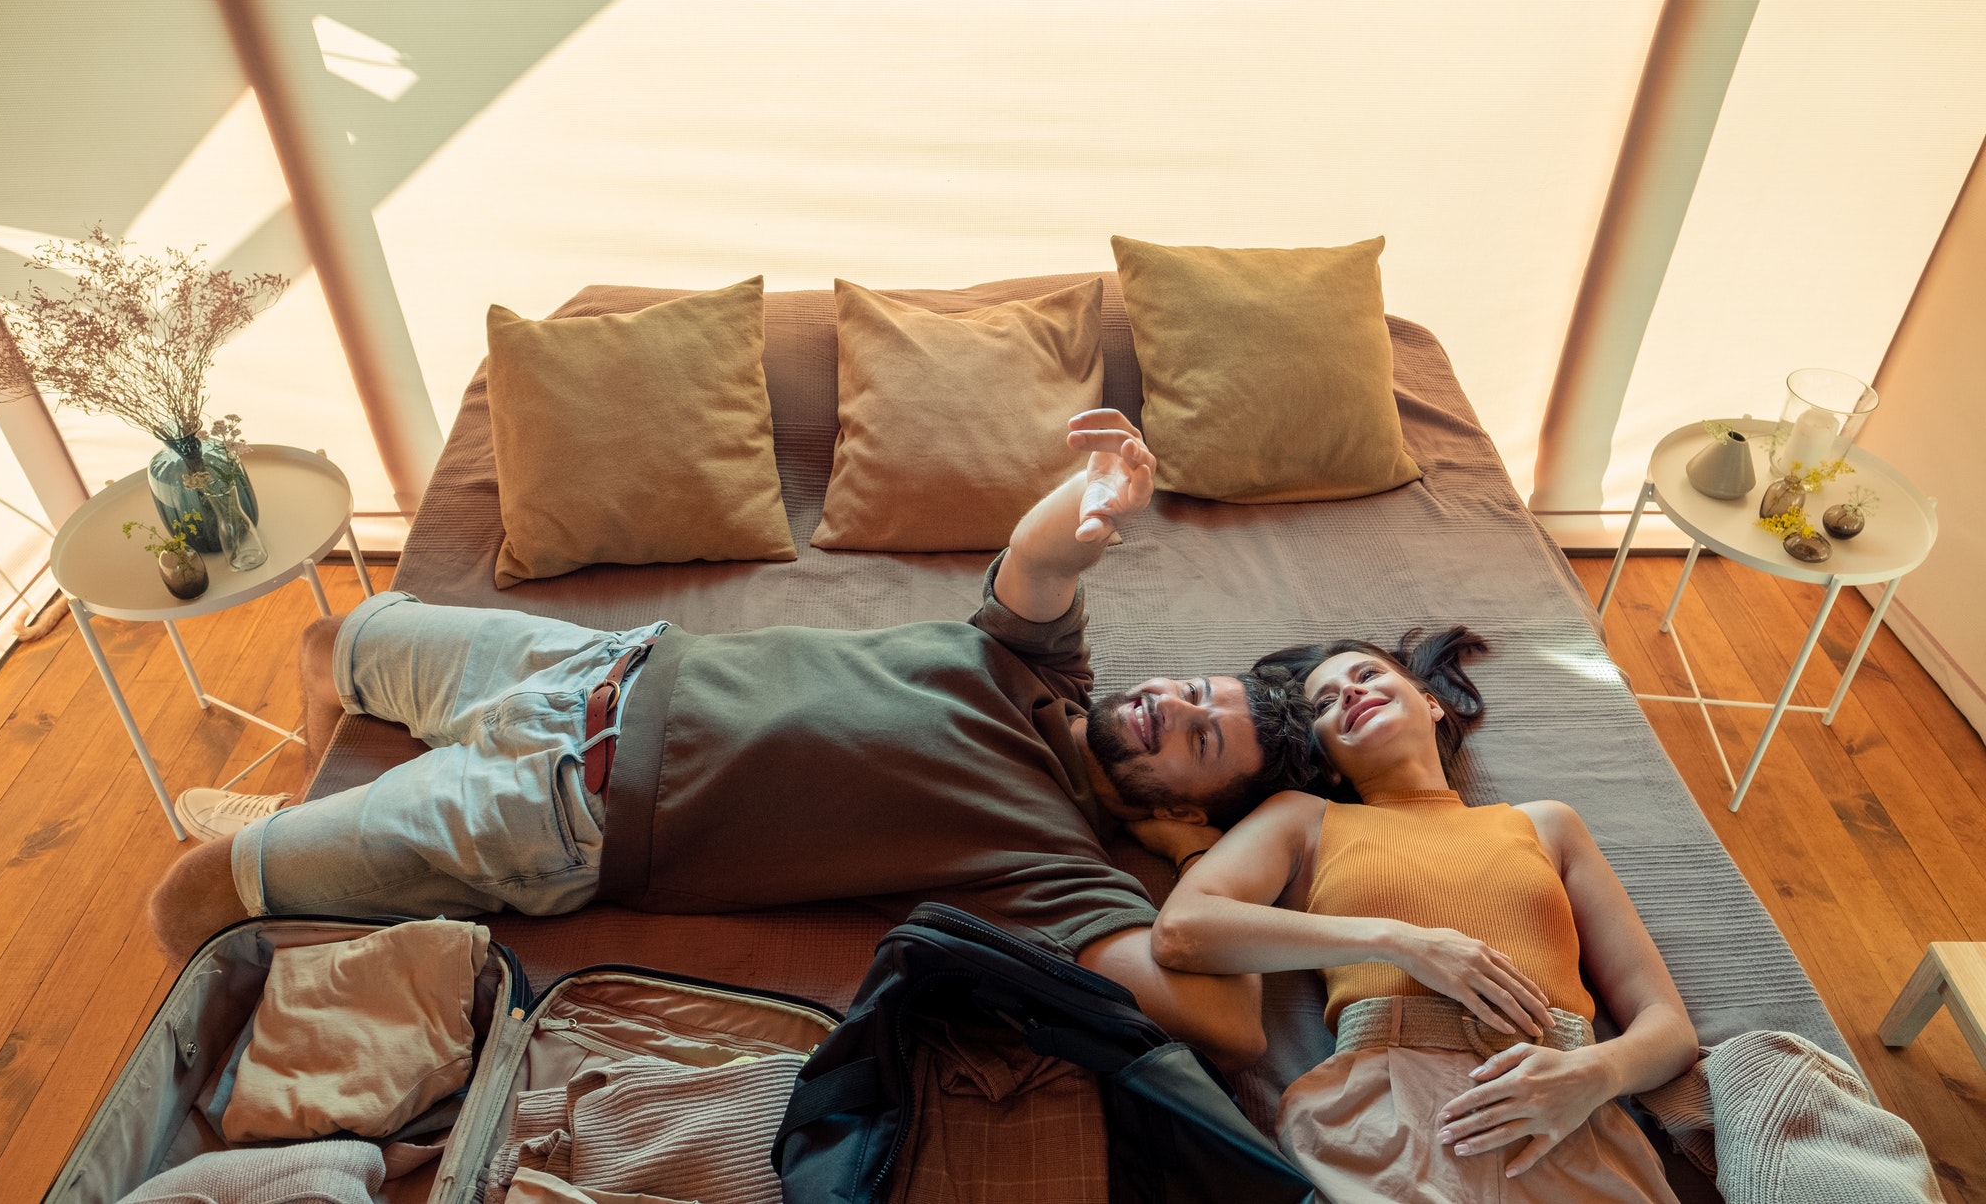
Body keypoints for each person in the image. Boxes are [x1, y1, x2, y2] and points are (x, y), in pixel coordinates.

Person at [147, 410, 1316, 1070]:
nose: (1173, 702)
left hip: (562, 810)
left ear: (1182, 811)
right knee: (326, 645)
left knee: (192, 897)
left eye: (1198, 738)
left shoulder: (1057, 867)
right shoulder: (1043, 668)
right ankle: (314, 832)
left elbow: (1225, 1024)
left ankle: (299, 863)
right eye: (1190, 688)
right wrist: (1101, 492)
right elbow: (1047, 552)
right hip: (589, 662)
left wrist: (1238, 848)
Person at [1142, 629, 1698, 1200]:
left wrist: (1594, 1074)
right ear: (1327, 761)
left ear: (1431, 703)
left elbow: (1669, 1028)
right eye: (1326, 703)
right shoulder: (1305, 820)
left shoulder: (1548, 824)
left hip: (1565, 1111)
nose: (1350, 695)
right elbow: (1185, 929)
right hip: (1383, 1117)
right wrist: (1400, 942)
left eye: (1366, 676)